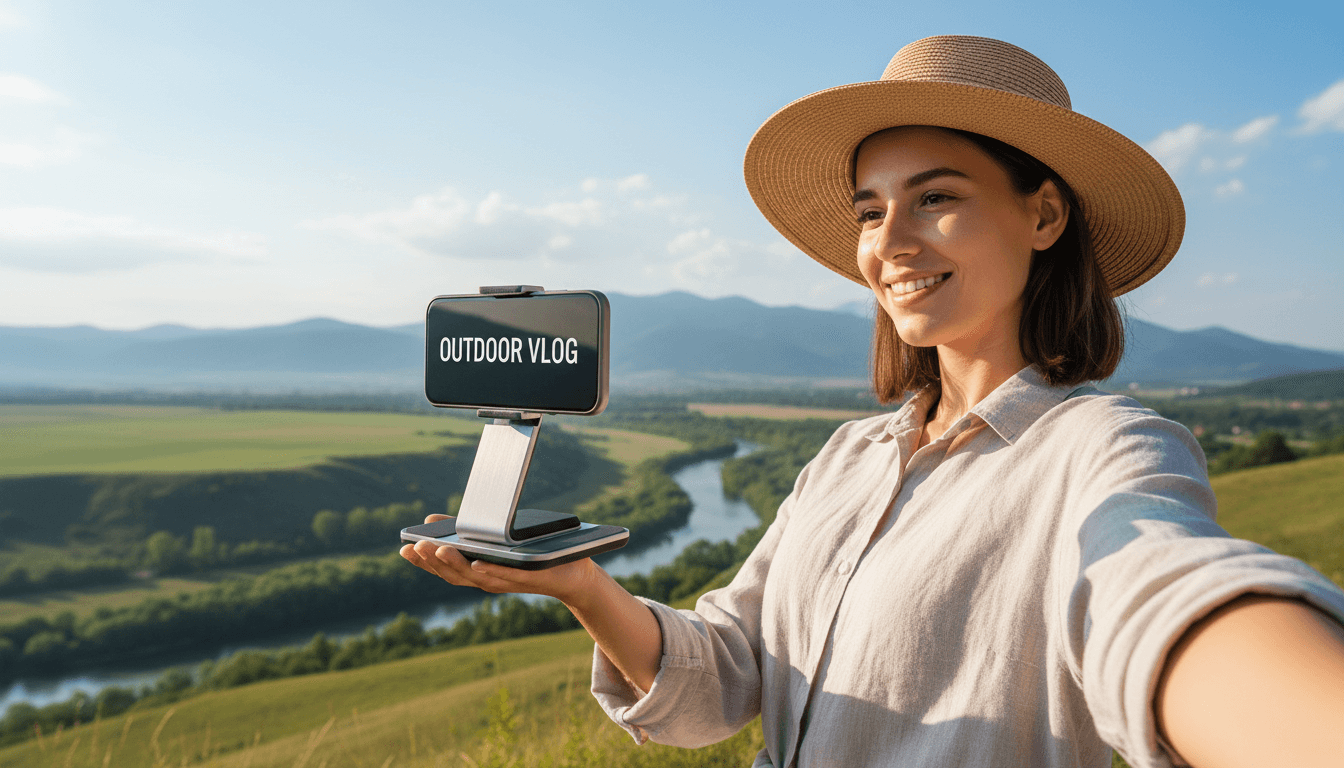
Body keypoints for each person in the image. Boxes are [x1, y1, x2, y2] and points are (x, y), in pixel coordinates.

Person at [402, 36, 1344, 768]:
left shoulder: (1105, 448)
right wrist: (580, 585)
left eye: (936, 197)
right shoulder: (847, 460)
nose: (889, 239)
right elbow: (726, 681)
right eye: (867, 208)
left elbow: (1160, 587)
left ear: (1045, 216)